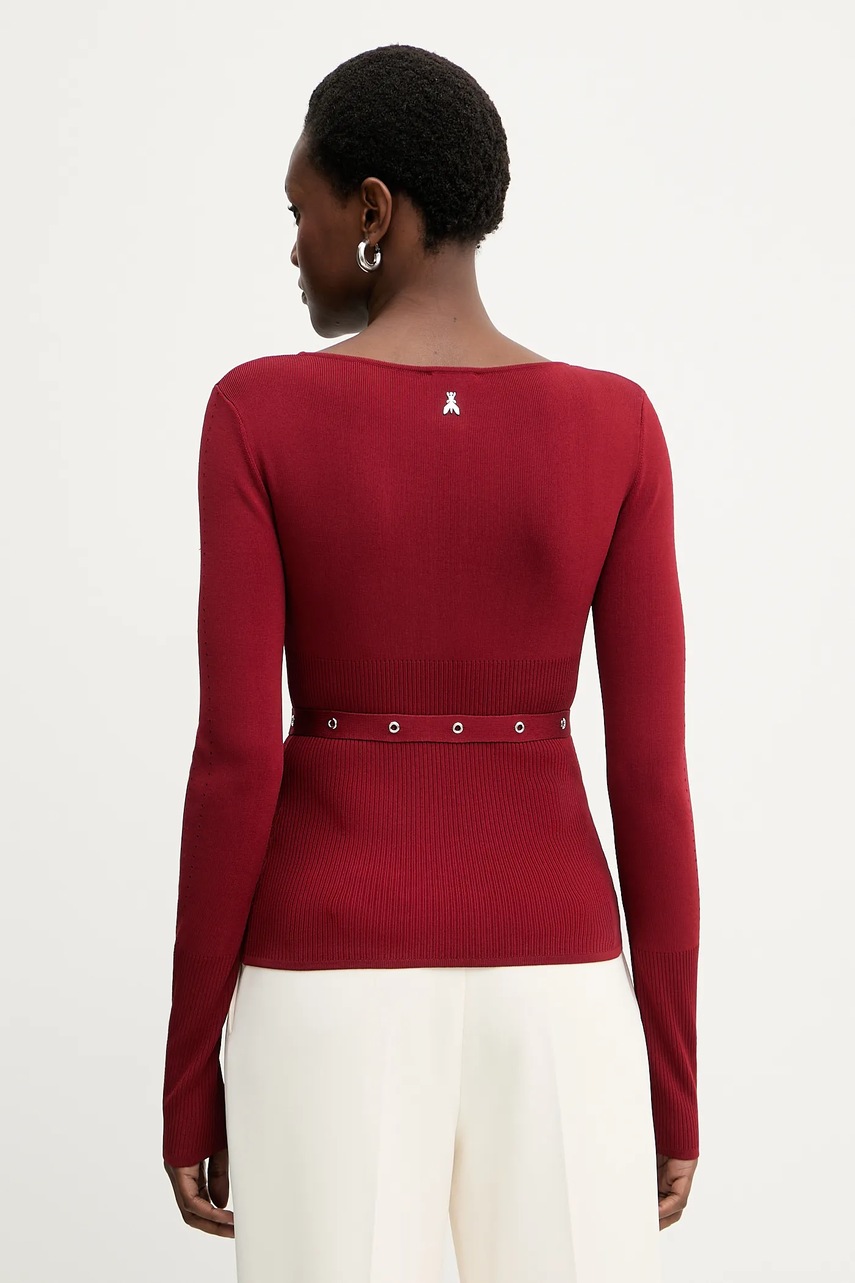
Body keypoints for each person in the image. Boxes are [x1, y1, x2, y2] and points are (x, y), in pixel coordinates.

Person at [161, 42, 701, 1282]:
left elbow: (235, 759)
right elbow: (652, 778)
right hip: (562, 996)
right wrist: (672, 1077)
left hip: (324, 985)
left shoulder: (256, 413)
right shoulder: (616, 425)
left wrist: (190, 1075)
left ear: (372, 211)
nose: (292, 246)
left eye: (299, 209)